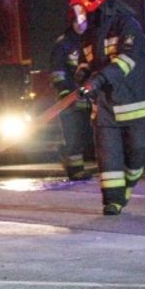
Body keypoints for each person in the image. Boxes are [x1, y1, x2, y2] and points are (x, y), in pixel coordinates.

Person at [71, 0, 145, 215]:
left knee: (139, 150)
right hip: (104, 107)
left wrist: (97, 80)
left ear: (92, 1)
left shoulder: (127, 25)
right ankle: (113, 201)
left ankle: (128, 183)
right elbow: (85, 63)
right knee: (108, 159)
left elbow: (126, 61)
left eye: (78, 7)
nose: (77, 14)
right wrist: (82, 76)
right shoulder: (88, 34)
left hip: (132, 102)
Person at [48, 16, 92, 180]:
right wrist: (65, 93)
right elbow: (57, 72)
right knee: (73, 134)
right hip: (69, 98)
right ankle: (75, 171)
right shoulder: (63, 44)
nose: (80, 26)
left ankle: (65, 153)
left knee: (85, 134)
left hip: (86, 97)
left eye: (83, 22)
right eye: (76, 22)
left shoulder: (90, 42)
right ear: (71, 23)